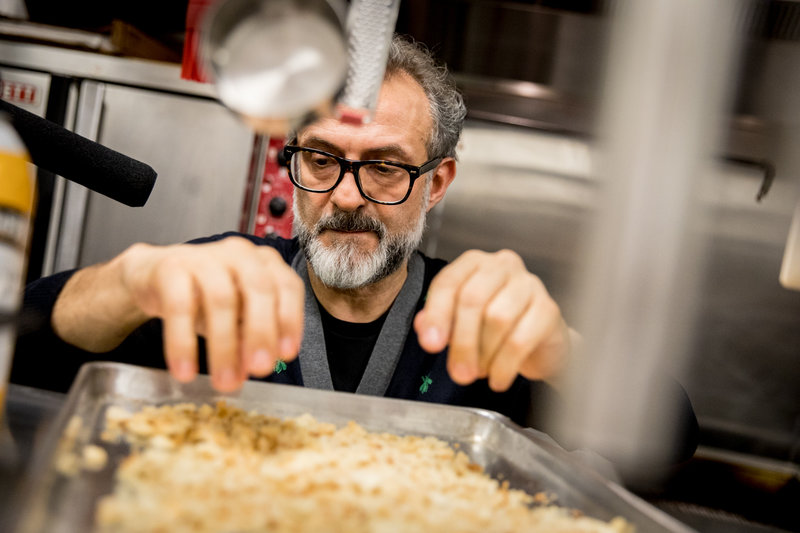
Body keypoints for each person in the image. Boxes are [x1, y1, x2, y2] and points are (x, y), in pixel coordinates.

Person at [13, 35, 697, 463]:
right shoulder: (217, 283)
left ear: (437, 183)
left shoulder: (482, 320)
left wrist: (562, 350)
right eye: (322, 159)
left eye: (385, 167)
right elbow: (27, 354)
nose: (345, 196)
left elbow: (669, 443)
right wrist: (130, 280)